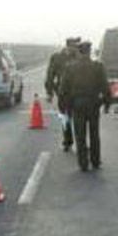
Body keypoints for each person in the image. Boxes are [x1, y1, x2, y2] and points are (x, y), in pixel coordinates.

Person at [60, 41, 111, 172]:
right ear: (89, 51)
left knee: (80, 134)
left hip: (77, 105)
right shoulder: (98, 67)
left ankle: (83, 163)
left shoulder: (70, 68)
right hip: (94, 104)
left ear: (79, 52)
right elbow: (105, 87)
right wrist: (107, 103)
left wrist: (63, 106)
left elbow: (63, 89)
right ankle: (95, 160)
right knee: (94, 133)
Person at [45, 37, 81, 152]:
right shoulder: (58, 58)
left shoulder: (76, 57)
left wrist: (50, 92)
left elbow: (50, 75)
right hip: (65, 93)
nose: (76, 49)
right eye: (75, 46)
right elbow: (50, 76)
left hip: (73, 93)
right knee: (66, 117)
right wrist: (49, 92)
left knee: (74, 118)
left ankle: (74, 141)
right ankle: (68, 140)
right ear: (69, 46)